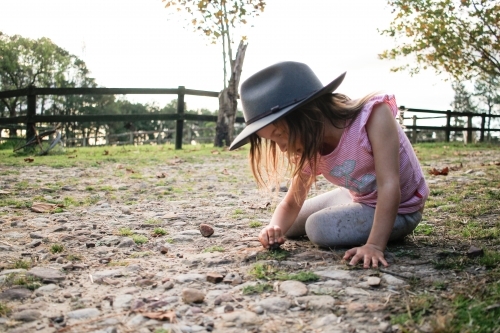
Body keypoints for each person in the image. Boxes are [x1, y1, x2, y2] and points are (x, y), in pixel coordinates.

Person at [229, 61, 429, 269]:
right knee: (288, 226)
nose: (282, 148)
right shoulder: (310, 145)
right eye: (273, 141)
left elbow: (389, 185)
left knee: (317, 228)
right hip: (358, 197)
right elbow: (292, 203)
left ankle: (379, 230)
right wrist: (272, 228)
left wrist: (375, 245)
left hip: (401, 209)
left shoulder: (373, 116)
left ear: (307, 115)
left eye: (280, 135)